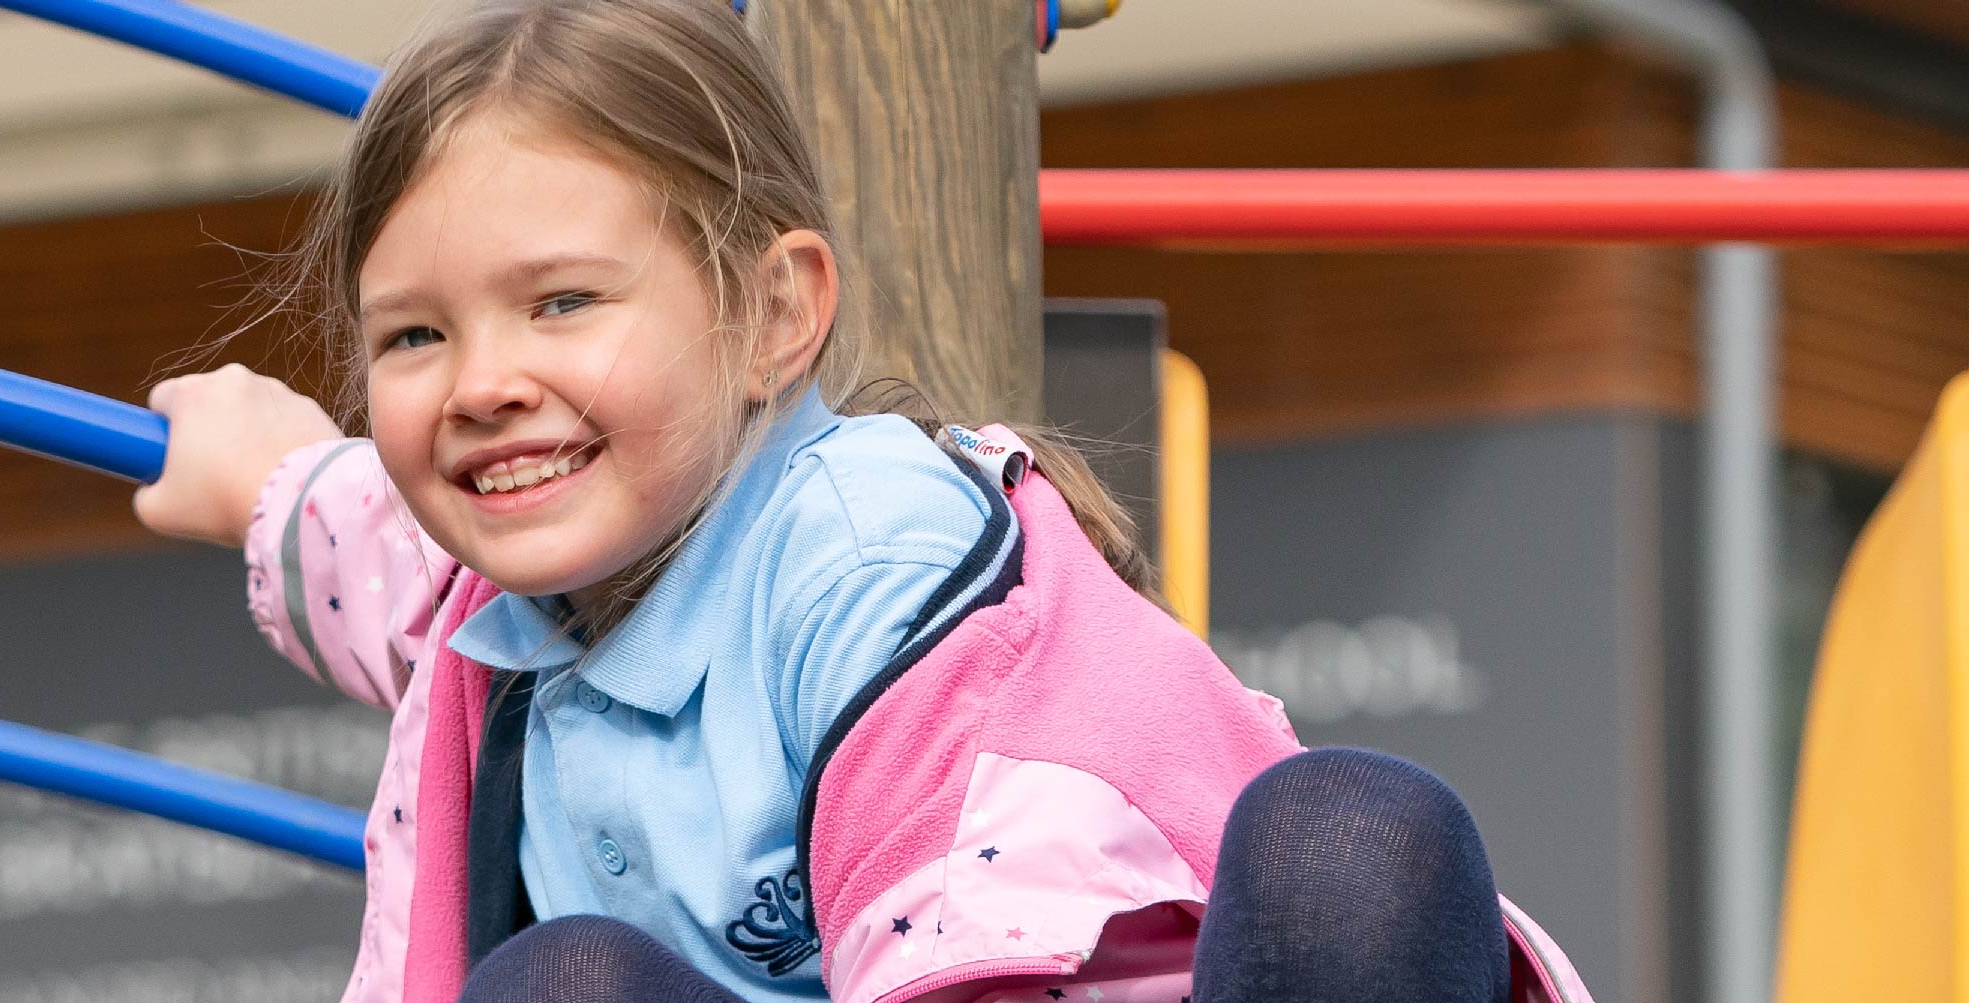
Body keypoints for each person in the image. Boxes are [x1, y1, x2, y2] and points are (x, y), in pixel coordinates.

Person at [133, 2, 1593, 1001]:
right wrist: (264, 476)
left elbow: (977, 938)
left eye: (562, 302)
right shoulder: (503, 603)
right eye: (413, 336)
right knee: (562, 985)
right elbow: (373, 551)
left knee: (1352, 837)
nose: (481, 384)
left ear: (775, 313)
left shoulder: (862, 557)